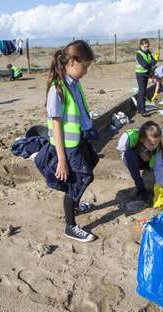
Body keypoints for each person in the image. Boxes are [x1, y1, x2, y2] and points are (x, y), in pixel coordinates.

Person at [38, 40, 98, 242]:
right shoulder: (57, 89)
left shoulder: (74, 84)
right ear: (72, 61)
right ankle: (70, 226)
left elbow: (79, 112)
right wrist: (62, 160)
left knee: (88, 171)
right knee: (78, 181)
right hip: (68, 148)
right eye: (85, 66)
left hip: (79, 140)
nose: (86, 72)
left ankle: (75, 205)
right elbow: (56, 127)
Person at [117, 121, 163, 207]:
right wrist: (140, 152)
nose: (155, 146)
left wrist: (159, 190)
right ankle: (141, 189)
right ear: (142, 139)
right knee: (129, 155)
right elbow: (124, 156)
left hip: (150, 161)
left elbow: (158, 169)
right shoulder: (128, 139)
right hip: (134, 160)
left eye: (157, 143)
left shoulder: (156, 147)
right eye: (152, 144)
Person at [135, 38, 156, 116]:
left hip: (146, 73)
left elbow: (153, 62)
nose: (147, 48)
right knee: (142, 91)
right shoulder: (139, 54)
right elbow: (144, 64)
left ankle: (139, 108)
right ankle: (142, 110)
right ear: (141, 45)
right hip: (140, 74)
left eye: (148, 46)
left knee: (142, 91)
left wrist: (154, 60)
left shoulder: (148, 52)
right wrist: (150, 65)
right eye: (145, 46)